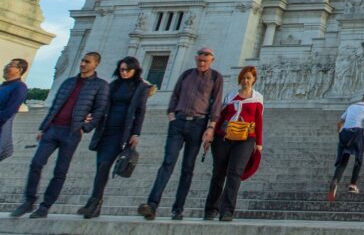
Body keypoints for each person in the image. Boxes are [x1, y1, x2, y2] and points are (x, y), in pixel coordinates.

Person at [11, 52, 109, 219]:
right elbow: (55, 105)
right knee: (36, 163)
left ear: (96, 64)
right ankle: (29, 201)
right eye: (82, 61)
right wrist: (43, 127)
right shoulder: (68, 82)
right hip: (53, 129)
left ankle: (45, 206)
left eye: (87, 62)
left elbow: (100, 109)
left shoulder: (100, 85)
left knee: (60, 171)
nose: (83, 64)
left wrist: (85, 127)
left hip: (72, 132)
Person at [139, 46, 224, 221]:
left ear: (211, 60)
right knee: (167, 162)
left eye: (205, 60)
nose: (202, 62)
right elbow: (175, 94)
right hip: (178, 122)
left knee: (188, 168)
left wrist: (211, 126)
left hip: (198, 124)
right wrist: (171, 113)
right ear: (196, 59)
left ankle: (178, 209)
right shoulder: (186, 74)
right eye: (200, 59)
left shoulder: (216, 77)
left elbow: (216, 102)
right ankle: (152, 204)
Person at [80, 56, 150, 219]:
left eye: (127, 70)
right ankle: (95, 202)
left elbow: (140, 111)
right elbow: (100, 104)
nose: (124, 72)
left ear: (135, 70)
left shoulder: (141, 88)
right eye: (121, 69)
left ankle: (94, 202)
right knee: (100, 166)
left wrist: (136, 133)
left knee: (104, 164)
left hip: (122, 131)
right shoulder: (112, 85)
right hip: (106, 129)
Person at [204, 65, 264, 221]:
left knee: (235, 173)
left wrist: (259, 143)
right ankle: (211, 209)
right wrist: (210, 133)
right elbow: (220, 116)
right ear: (239, 79)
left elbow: (259, 120)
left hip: (246, 138)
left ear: (254, 80)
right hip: (224, 137)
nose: (245, 80)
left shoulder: (257, 98)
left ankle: (227, 211)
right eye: (243, 78)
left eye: (248, 78)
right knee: (218, 173)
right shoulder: (230, 97)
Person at [328, 90, 364, 197]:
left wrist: (340, 134)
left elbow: (339, 123)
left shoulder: (351, 107)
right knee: (358, 159)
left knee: (343, 161)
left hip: (345, 132)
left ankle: (335, 181)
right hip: (357, 133)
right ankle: (353, 185)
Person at [0, 58, 30, 163]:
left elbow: (9, 111)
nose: (6, 67)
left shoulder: (20, 87)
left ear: (19, 70)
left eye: (10, 65)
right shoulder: (3, 86)